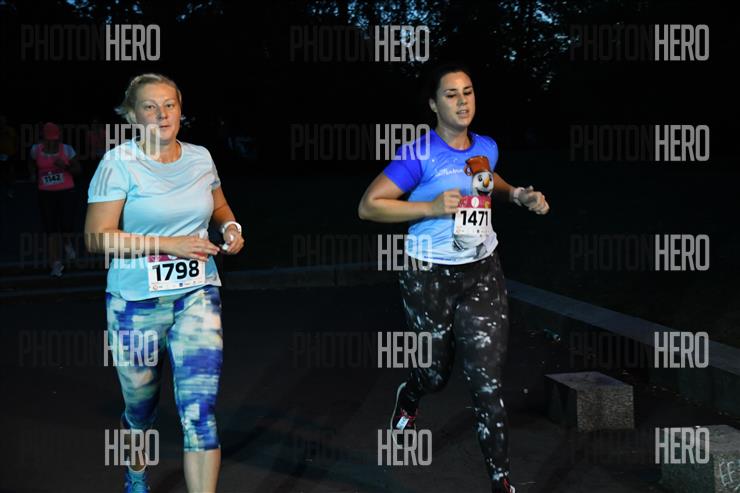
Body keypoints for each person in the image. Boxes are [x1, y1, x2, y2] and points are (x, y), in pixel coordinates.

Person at [358, 63, 549, 493]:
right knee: (435, 375)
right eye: (451, 94)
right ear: (433, 104)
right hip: (428, 275)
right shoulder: (418, 155)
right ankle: (411, 395)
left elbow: (488, 178)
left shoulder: (487, 147)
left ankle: (501, 482)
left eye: (468, 92)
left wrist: (517, 194)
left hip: (482, 271)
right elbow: (369, 206)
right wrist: (429, 208)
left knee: (487, 383)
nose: (463, 101)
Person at [84, 73, 244, 493]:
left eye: (169, 105)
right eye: (149, 106)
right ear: (132, 116)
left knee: (200, 413)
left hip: (197, 294)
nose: (161, 114)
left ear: (180, 110)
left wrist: (230, 227)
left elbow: (220, 206)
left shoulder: (200, 158)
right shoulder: (118, 163)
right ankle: (136, 473)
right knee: (140, 408)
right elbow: (96, 237)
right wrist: (168, 244)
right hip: (135, 302)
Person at [28, 121, 82, 276]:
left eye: (54, 139)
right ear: (43, 138)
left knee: (66, 224)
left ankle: (66, 242)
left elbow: (79, 170)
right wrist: (32, 174)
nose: (51, 142)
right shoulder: (36, 150)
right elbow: (31, 163)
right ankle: (56, 263)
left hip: (66, 191)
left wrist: (65, 166)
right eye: (48, 140)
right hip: (46, 193)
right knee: (51, 228)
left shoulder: (67, 150)